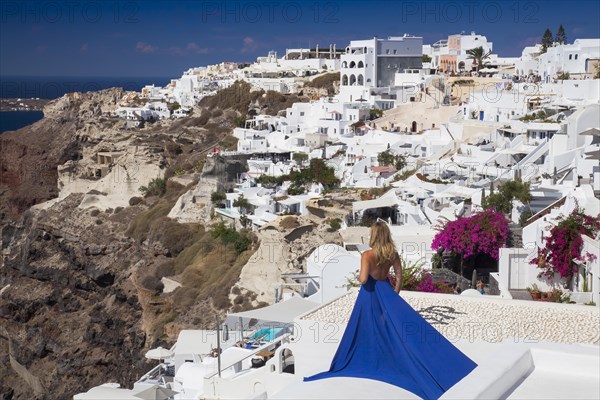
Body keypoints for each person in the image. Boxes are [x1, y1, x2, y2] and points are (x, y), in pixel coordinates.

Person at [304, 221, 477, 400]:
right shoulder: (391, 253)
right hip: (386, 292)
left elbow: (363, 280)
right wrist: (393, 295)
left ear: (373, 236)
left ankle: (373, 360)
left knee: (365, 329)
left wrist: (360, 274)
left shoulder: (367, 255)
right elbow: (399, 275)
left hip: (369, 295)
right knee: (389, 329)